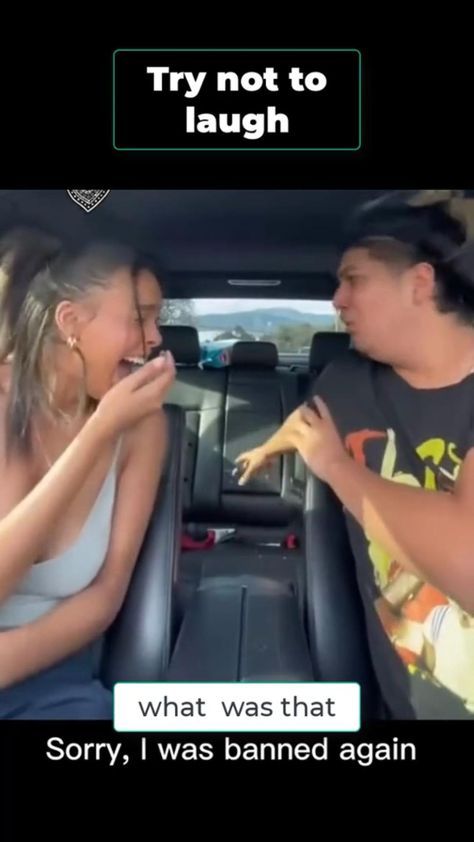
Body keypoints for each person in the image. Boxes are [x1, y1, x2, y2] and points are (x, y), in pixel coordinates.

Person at [235, 191, 474, 719]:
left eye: (354, 279)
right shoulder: (347, 381)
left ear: (420, 283)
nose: (337, 300)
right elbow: (308, 422)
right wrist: (265, 450)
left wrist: (336, 468)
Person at [0, 228, 176, 719]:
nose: (156, 337)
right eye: (141, 318)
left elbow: (106, 596)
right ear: (70, 322)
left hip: (50, 681)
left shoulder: (140, 428)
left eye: (158, 319)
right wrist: (96, 435)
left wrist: (100, 431)